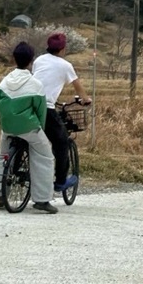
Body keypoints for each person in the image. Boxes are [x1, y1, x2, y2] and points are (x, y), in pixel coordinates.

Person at [0, 41, 57, 214]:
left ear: (14, 59)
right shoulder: (35, 84)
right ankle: (42, 200)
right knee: (45, 156)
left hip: (7, 127)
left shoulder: (4, 83)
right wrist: (40, 130)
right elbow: (41, 112)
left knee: (2, 157)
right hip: (29, 128)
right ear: (31, 61)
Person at [31, 32, 91, 193]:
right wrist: (86, 99)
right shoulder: (65, 66)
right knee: (62, 142)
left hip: (29, 103)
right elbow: (78, 87)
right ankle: (60, 181)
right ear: (63, 49)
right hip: (45, 107)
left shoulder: (38, 60)